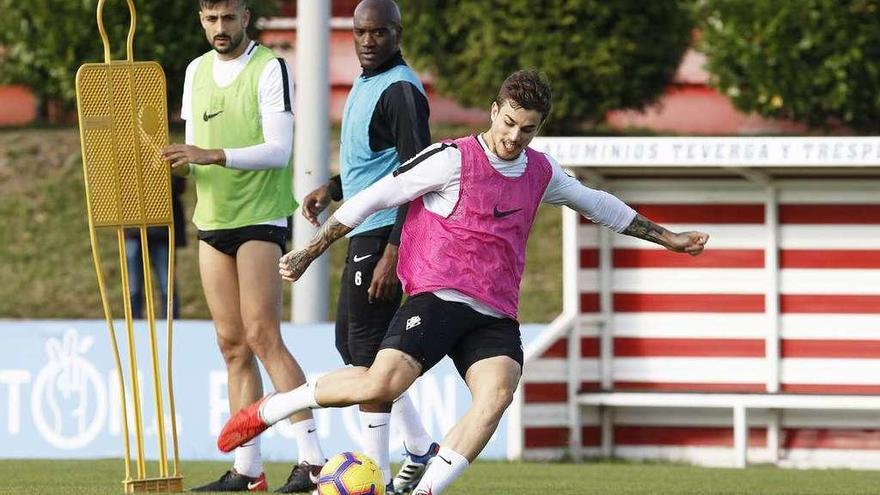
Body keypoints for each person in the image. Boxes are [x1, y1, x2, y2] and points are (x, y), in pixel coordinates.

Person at [218, 70, 710, 495]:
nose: (514, 136)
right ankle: (274, 408)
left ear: (540, 129)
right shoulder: (450, 158)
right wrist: (309, 251)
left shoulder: (541, 172)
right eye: (509, 122)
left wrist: (668, 238)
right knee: (379, 383)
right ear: (495, 110)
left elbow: (597, 203)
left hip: (494, 312)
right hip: (437, 298)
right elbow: (376, 197)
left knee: (498, 392)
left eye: (527, 129)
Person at [161, 0, 324, 492]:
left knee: (263, 336)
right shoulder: (195, 71)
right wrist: (164, 160)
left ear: (245, 17)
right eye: (211, 19)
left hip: (260, 218)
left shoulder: (269, 67)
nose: (220, 29)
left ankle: (313, 460)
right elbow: (193, 152)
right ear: (201, 19)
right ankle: (248, 469)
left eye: (228, 18)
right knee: (231, 345)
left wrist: (209, 155)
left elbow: (278, 150)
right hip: (212, 221)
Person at [299, 1, 436, 492]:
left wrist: (395, 250)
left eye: (379, 32)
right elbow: (371, 162)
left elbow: (418, 177)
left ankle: (373, 473)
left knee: (368, 356)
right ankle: (420, 448)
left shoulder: (402, 91)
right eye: (361, 32)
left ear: (397, 33)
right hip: (364, 228)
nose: (369, 40)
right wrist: (332, 188)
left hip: (384, 234)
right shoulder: (366, 81)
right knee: (354, 346)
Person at [124, 176, 187, 319]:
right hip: (134, 230)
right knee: (133, 286)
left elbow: (180, 185)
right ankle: (134, 327)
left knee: (167, 285)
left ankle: (172, 327)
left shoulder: (165, 156)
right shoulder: (125, 158)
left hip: (162, 232)